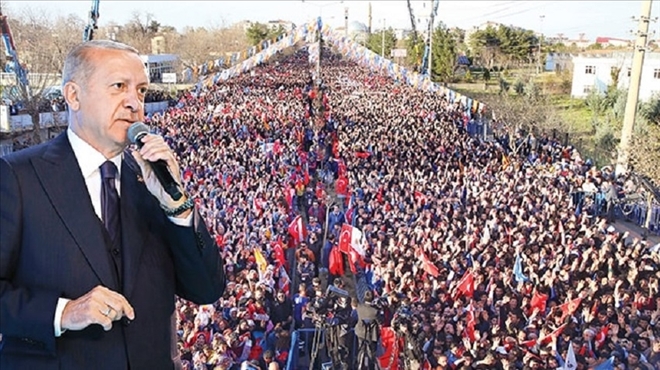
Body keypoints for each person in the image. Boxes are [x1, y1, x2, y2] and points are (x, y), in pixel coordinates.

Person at [0, 40, 225, 369]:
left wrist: (177, 207)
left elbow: (207, 288)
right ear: (73, 96)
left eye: (142, 91)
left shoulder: (152, 181)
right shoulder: (16, 177)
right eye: (119, 86)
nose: (135, 103)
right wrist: (64, 312)